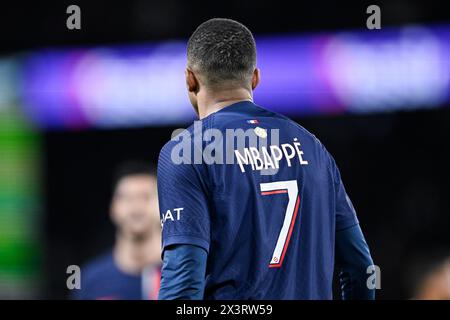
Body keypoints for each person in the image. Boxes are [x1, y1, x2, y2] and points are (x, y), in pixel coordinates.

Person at [157, 18, 375, 300]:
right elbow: (360, 269)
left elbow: (183, 285)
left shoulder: (185, 152)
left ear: (190, 78)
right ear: (255, 78)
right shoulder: (312, 147)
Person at [72, 161, 161, 300]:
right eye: (127, 198)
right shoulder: (91, 279)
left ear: (164, 206)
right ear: (113, 207)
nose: (136, 208)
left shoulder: (187, 274)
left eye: (146, 197)